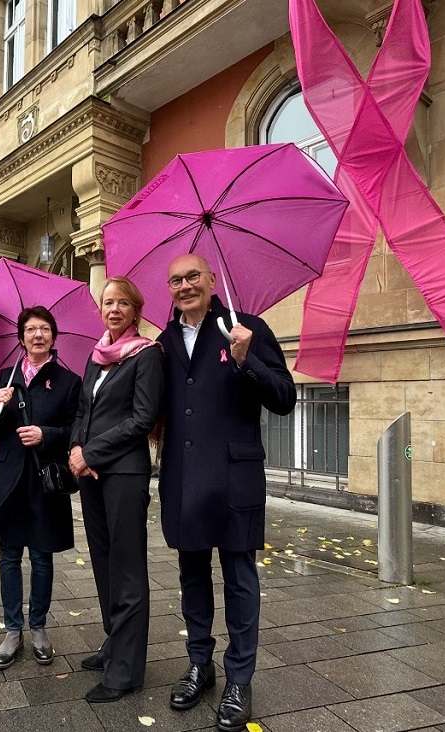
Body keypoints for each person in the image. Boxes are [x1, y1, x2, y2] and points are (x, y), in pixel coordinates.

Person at [157, 254, 296, 732]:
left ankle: (240, 677)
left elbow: (284, 396)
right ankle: (201, 664)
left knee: (239, 579)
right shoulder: (164, 340)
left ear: (213, 280)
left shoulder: (246, 327)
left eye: (193, 276)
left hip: (235, 478)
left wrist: (246, 360)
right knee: (192, 575)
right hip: (182, 478)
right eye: (175, 280)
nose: (184, 286)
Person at [69, 277, 163, 703]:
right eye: (108, 302)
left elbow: (141, 420)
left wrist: (91, 453)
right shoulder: (96, 356)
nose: (114, 309)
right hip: (91, 475)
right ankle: (114, 644)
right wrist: (74, 446)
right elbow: (82, 411)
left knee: (126, 569)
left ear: (135, 310)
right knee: (104, 564)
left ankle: (126, 671)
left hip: (124, 475)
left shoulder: (146, 355)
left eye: (123, 302)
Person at [0, 306, 81, 669]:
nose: (38, 335)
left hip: (44, 479)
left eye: (45, 329)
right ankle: (12, 629)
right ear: (21, 337)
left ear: (54, 337)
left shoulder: (69, 381)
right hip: (9, 480)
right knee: (9, 555)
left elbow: (76, 430)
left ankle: (38, 628)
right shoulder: (7, 377)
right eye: (31, 330)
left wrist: (46, 435)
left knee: (41, 556)